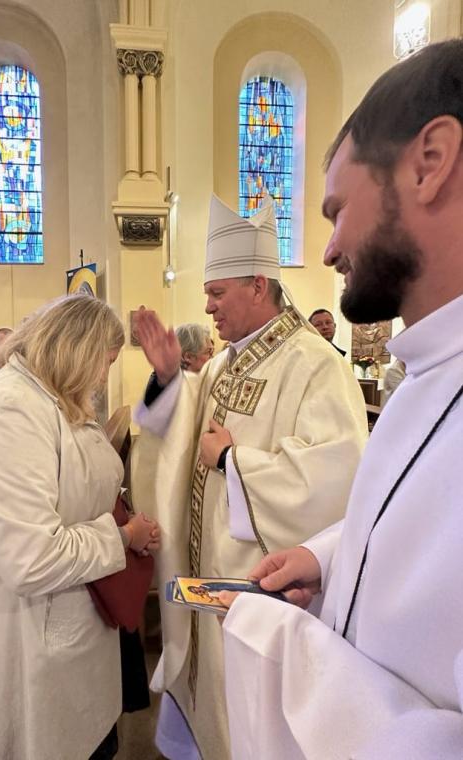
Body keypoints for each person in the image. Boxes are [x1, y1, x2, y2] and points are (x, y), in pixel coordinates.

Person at [221, 39, 463, 760]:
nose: (328, 250)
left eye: (337, 210)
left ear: (430, 162)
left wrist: (280, 643)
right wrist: (329, 556)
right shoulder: (431, 365)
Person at [132, 193, 368, 759]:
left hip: (259, 580)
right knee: (211, 698)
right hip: (207, 571)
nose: (208, 307)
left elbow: (336, 473)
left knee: (252, 718)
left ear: (258, 286)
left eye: (217, 293)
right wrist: (168, 378)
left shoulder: (316, 363)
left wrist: (232, 463)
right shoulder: (223, 362)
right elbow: (182, 427)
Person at [0, 294, 160, 760]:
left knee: (92, 737)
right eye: (105, 362)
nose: (103, 377)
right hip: (39, 629)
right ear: (77, 350)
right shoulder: (12, 410)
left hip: (81, 610)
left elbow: (78, 487)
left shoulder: (52, 398)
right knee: (59, 743)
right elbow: (31, 560)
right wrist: (123, 537)